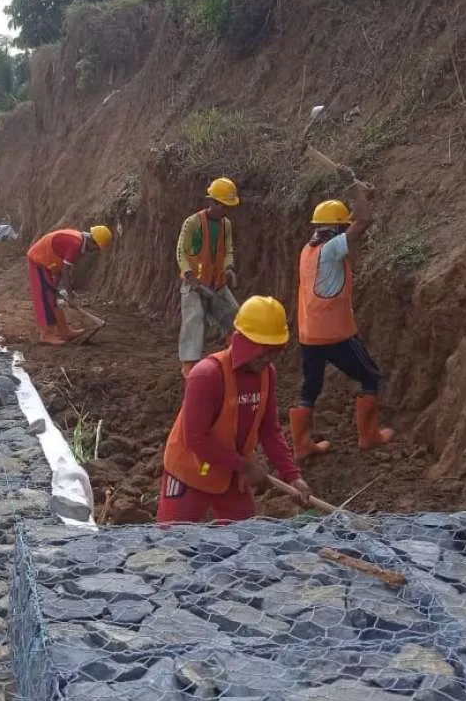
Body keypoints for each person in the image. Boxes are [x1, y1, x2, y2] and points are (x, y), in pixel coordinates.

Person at [157, 295, 313, 524]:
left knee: (245, 543)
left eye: (274, 350)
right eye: (263, 349)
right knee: (171, 547)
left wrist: (292, 476)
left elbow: (269, 430)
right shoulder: (207, 375)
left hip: (229, 473)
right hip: (189, 473)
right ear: (243, 342)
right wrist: (245, 465)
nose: (268, 358)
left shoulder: (267, 375)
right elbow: (196, 437)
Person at [289, 194, 394, 459]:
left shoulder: (307, 251)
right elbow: (364, 220)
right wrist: (358, 189)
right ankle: (369, 436)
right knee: (370, 377)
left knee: (310, 388)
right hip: (335, 333)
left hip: (308, 334)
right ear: (336, 228)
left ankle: (302, 445)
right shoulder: (332, 249)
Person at [176, 177, 241, 377]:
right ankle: (190, 368)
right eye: (223, 205)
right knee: (194, 321)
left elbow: (228, 248)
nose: (225, 210)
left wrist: (229, 267)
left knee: (235, 316)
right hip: (194, 284)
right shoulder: (193, 222)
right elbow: (181, 251)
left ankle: (237, 356)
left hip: (217, 283)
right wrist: (188, 274)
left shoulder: (225, 225)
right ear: (212, 202)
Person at [26, 225, 112, 345]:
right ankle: (46, 335)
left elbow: (61, 264)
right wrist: (70, 296)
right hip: (38, 260)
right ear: (93, 241)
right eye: (96, 248)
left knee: (53, 298)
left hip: (50, 263)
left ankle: (64, 332)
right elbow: (66, 271)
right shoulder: (75, 245)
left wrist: (57, 285)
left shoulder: (79, 242)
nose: (94, 251)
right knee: (45, 298)